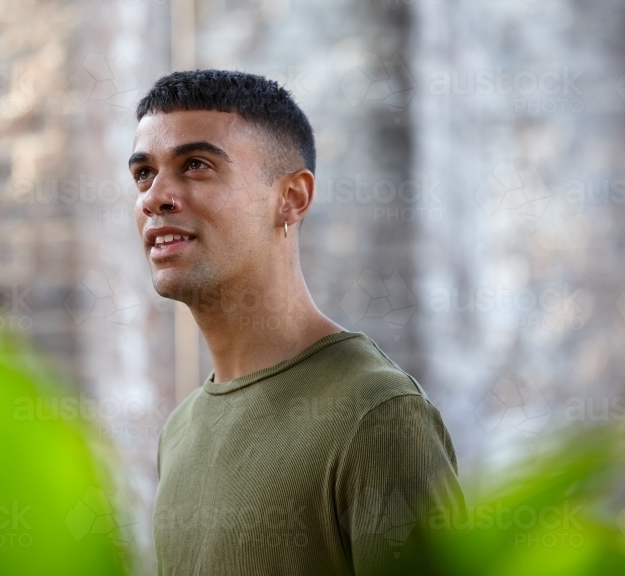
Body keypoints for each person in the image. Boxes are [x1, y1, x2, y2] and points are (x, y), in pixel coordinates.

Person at [129, 70, 464, 575]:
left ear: (292, 198)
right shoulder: (180, 432)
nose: (156, 196)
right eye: (144, 174)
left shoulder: (379, 418)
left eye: (195, 165)